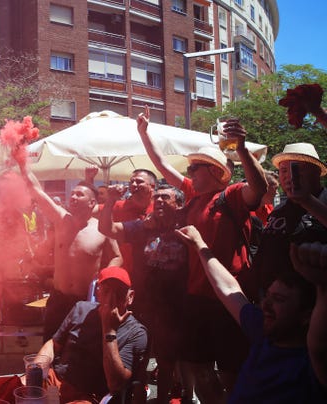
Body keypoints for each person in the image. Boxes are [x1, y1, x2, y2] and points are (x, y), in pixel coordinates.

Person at [137, 105, 267, 402]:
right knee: (199, 370)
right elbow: (161, 165)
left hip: (230, 299)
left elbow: (257, 188)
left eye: (194, 168)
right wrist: (145, 134)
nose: (189, 172)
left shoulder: (231, 195)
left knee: (232, 373)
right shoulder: (194, 196)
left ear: (213, 172)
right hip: (196, 298)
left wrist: (242, 150)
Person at [176, 225, 327, 403]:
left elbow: (319, 346)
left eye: (278, 299)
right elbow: (229, 288)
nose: (266, 304)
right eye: (267, 295)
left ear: (306, 315)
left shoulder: (311, 365)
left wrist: (323, 286)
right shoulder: (262, 329)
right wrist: (199, 245)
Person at [99, 184, 188, 404]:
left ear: (178, 204)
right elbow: (106, 228)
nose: (158, 200)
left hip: (173, 306)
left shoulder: (188, 226)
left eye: (164, 197)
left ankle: (162, 400)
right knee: (139, 357)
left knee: (166, 360)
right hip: (142, 304)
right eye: (156, 196)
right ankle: (135, 399)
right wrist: (109, 201)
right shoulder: (142, 227)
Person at [18, 161, 122, 341]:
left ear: (92, 203)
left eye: (79, 194)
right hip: (59, 299)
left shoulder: (102, 228)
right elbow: (37, 190)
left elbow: (117, 257)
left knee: (82, 350)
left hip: (86, 302)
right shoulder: (61, 219)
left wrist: (104, 278)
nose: (72, 197)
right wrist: (22, 163)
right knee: (51, 347)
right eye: (72, 193)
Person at [36, 266, 148, 403]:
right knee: (13, 388)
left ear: (130, 297)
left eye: (118, 292)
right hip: (56, 382)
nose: (111, 298)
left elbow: (116, 384)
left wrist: (109, 330)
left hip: (87, 396)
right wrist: (39, 365)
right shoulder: (81, 309)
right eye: (106, 291)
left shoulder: (136, 332)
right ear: (98, 293)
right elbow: (54, 344)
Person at [252, 143, 327, 296]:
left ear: (316, 172)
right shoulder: (278, 211)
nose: (289, 176)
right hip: (270, 303)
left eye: (297, 168)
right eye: (283, 170)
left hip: (313, 308)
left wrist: (306, 200)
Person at [85, 166, 156, 273]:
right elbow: (87, 210)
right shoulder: (119, 206)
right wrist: (89, 180)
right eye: (132, 182)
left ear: (152, 186)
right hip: (124, 274)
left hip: (155, 274)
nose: (134, 185)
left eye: (139, 181)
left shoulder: (160, 208)